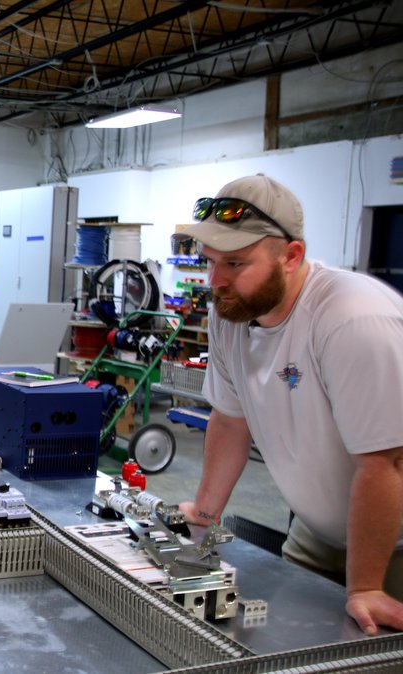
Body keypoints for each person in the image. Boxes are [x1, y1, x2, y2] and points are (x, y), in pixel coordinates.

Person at [174, 173, 403, 635]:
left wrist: (365, 586)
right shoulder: (231, 313)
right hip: (317, 532)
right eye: (210, 261)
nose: (216, 280)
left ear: (291, 256)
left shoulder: (351, 318)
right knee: (290, 641)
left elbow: (387, 463)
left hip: (393, 541)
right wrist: (204, 514)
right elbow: (230, 420)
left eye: (235, 263)